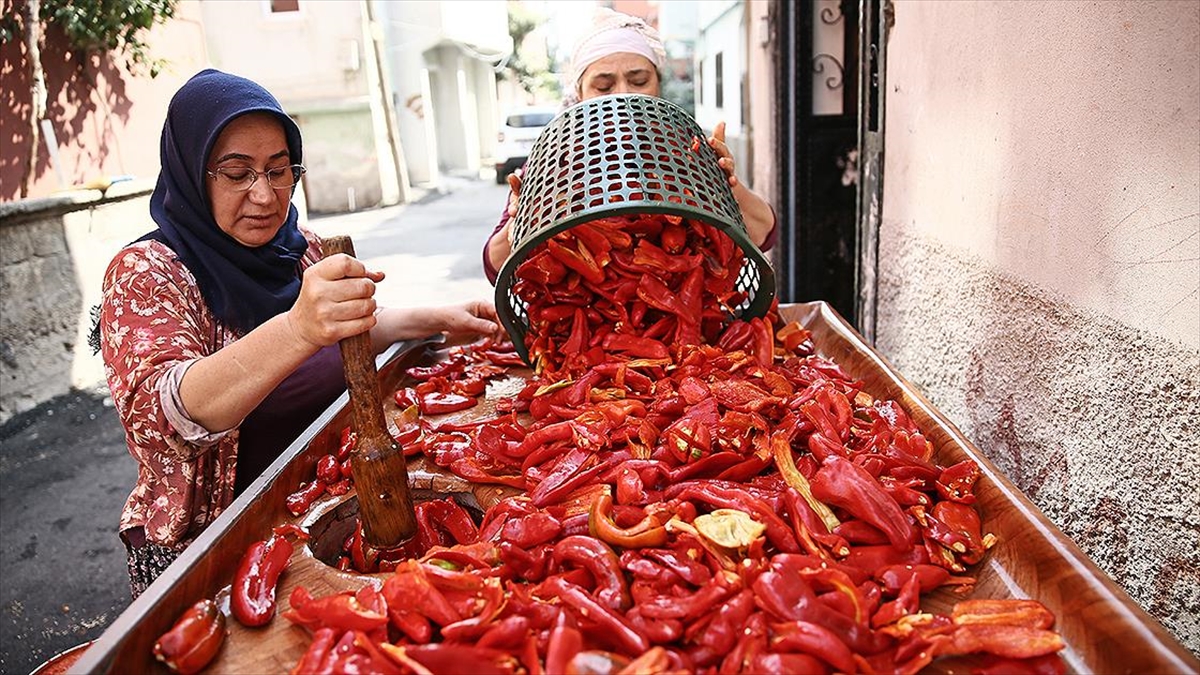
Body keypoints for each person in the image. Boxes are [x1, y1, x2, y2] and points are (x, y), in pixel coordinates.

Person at [95, 69, 502, 598]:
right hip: (214, 545)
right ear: (193, 172)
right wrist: (297, 327)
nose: (264, 195)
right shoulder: (148, 272)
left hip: (319, 502)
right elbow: (166, 419)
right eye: (236, 173)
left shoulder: (301, 248)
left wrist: (440, 317)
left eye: (278, 169)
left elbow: (344, 338)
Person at [482, 7, 778, 283]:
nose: (621, 96)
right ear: (580, 95)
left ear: (658, 88)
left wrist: (727, 185)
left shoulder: (688, 152)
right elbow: (497, 267)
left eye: (638, 81)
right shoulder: (555, 162)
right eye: (603, 86)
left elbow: (764, 234)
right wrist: (524, 219)